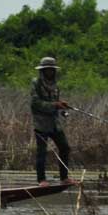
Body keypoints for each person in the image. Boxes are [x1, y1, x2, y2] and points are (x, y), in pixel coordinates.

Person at [30, 57, 76, 187]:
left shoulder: (55, 84)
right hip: (41, 123)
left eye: (52, 69)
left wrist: (61, 107)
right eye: (47, 69)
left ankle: (64, 177)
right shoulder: (36, 83)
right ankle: (41, 180)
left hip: (54, 123)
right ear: (43, 70)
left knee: (65, 147)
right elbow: (35, 103)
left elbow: (55, 103)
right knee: (42, 152)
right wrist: (55, 104)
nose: (50, 72)